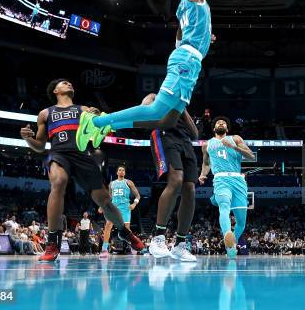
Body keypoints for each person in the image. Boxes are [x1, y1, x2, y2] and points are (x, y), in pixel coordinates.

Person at [74, 0, 219, 152]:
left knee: (166, 119)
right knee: (155, 112)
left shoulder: (185, 10)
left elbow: (180, 38)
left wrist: (203, 38)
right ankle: (97, 121)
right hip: (186, 60)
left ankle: (104, 126)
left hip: (189, 60)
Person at [20, 78, 145, 262]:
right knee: (58, 182)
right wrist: (28, 139)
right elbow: (39, 145)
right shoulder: (45, 113)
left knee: (105, 202)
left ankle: (124, 232)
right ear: (55, 91)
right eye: (63, 83)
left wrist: (97, 118)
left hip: (82, 155)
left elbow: (98, 127)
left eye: (70, 82)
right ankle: (53, 243)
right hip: (58, 154)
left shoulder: (83, 109)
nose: (69, 83)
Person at [145, 93, 199, 262]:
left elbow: (195, 134)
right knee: (175, 181)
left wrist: (182, 107)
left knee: (190, 189)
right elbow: (145, 111)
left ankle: (180, 244)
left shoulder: (182, 102)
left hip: (185, 141)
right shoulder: (155, 96)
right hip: (164, 134)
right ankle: (158, 237)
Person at [199, 117, 254, 258]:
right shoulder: (207, 144)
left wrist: (234, 147)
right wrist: (203, 174)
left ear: (227, 129)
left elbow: (251, 156)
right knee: (224, 205)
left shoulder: (235, 138)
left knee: (241, 221)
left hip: (238, 180)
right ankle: (227, 236)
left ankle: (232, 243)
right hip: (220, 179)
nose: (221, 123)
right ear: (214, 128)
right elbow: (206, 163)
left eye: (224, 122)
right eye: (218, 122)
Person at [99, 165, 141, 259]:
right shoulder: (111, 184)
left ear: (124, 173)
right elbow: (109, 197)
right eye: (119, 170)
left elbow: (138, 196)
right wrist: (102, 206)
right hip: (114, 207)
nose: (121, 171)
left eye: (123, 170)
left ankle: (132, 248)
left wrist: (134, 204)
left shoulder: (129, 182)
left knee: (127, 230)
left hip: (125, 207)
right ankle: (104, 249)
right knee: (108, 226)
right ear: (117, 172)